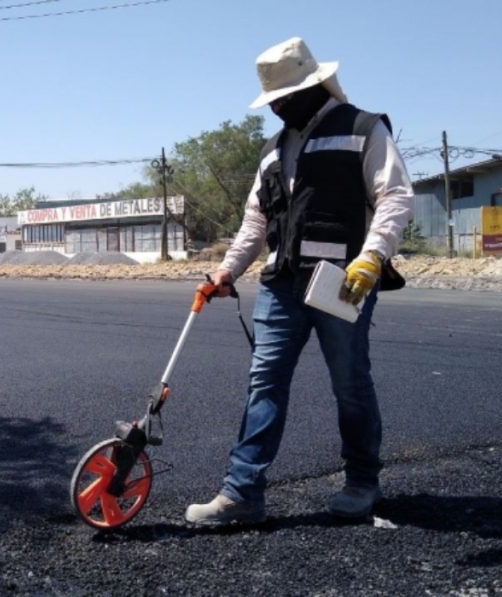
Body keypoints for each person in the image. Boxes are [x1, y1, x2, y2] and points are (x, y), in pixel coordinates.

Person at [185, 37, 413, 526]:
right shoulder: (273, 151)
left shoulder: (363, 129)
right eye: (273, 101)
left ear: (312, 86)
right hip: (283, 284)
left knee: (350, 384)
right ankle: (242, 493)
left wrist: (372, 258)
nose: (278, 108)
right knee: (263, 382)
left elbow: (394, 196)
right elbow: (254, 222)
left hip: (342, 282)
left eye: (285, 98)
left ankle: (362, 482)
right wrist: (228, 270)